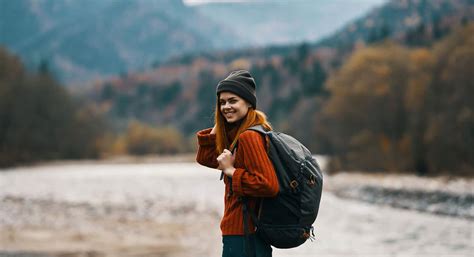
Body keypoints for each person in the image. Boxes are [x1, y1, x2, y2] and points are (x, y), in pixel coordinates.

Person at [196, 70, 279, 257]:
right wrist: (220, 123)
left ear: (249, 103)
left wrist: (231, 171)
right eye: (222, 102)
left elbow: (268, 184)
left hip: (244, 234)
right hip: (244, 233)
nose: (226, 106)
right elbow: (205, 158)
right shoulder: (241, 135)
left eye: (233, 101)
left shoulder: (249, 137)